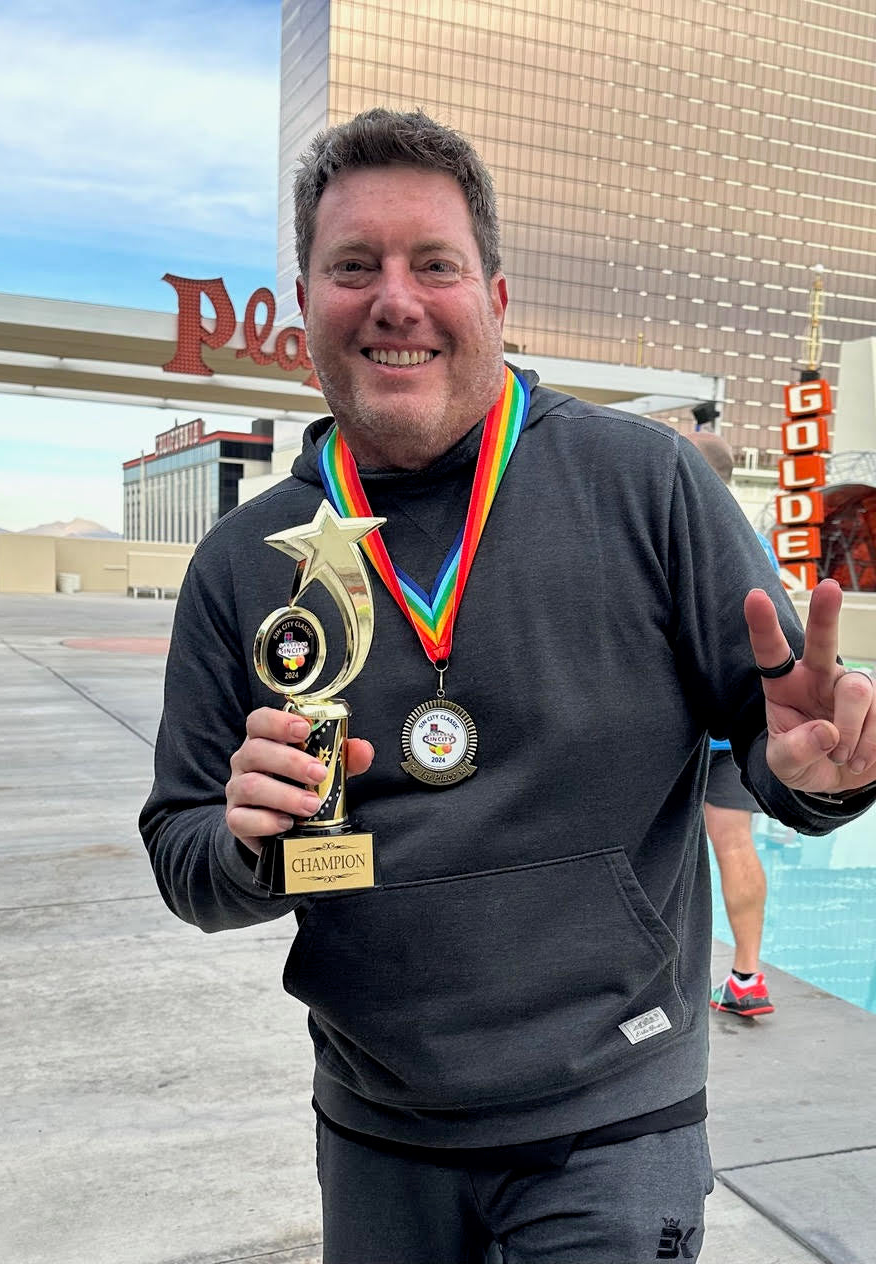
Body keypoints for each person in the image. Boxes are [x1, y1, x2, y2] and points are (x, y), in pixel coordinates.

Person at [141, 109, 876, 1264]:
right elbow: (187, 856)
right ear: (305, 303)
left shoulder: (647, 486)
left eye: (433, 263)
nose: (396, 298)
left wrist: (818, 778)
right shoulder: (244, 563)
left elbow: (783, 752)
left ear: (494, 293)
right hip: (379, 1130)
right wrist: (241, 842)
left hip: (612, 1120)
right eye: (353, 266)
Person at [688, 432, 778, 1018]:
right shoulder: (757, 545)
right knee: (735, 843)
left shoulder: (683, 532)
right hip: (735, 723)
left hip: (685, 729)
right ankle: (748, 976)